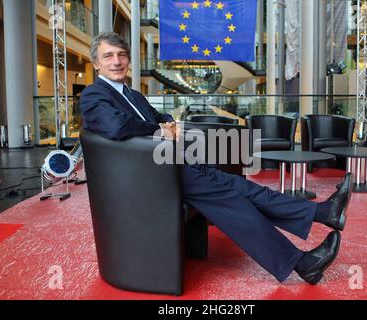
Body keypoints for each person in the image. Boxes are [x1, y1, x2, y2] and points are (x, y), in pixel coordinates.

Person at [81, 32, 352, 285]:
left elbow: (159, 117)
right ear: (96, 63)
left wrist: (168, 124)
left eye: (121, 55)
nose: (116, 61)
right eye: (108, 56)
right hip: (148, 177)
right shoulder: (95, 94)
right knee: (232, 201)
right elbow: (115, 126)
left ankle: (324, 212)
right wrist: (159, 129)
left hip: (171, 166)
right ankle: (302, 263)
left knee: (242, 186)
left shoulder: (132, 94)